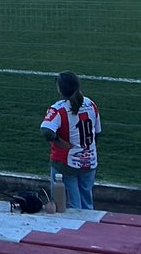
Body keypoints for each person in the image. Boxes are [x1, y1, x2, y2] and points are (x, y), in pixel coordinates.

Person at [41, 71, 101, 210]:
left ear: (60, 89)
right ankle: (89, 222)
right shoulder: (91, 104)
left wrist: (59, 142)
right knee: (87, 201)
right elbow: (97, 132)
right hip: (90, 160)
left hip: (66, 162)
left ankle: (74, 224)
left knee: (69, 204)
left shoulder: (58, 109)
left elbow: (46, 131)